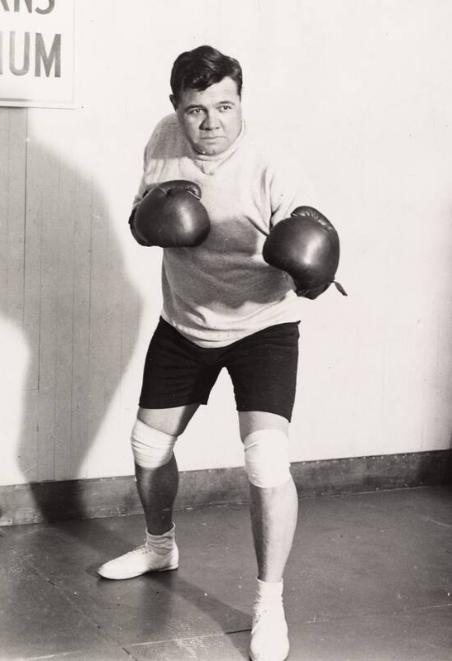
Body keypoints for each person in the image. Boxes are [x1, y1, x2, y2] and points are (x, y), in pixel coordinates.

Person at [98, 44, 330, 661]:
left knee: (266, 462)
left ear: (240, 103)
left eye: (224, 107)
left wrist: (313, 267)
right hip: (186, 321)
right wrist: (152, 219)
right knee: (148, 449)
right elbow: (137, 217)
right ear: (175, 108)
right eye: (196, 110)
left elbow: (315, 238)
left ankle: (268, 602)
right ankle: (159, 545)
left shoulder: (271, 164)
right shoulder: (161, 139)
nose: (211, 124)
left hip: (263, 327)